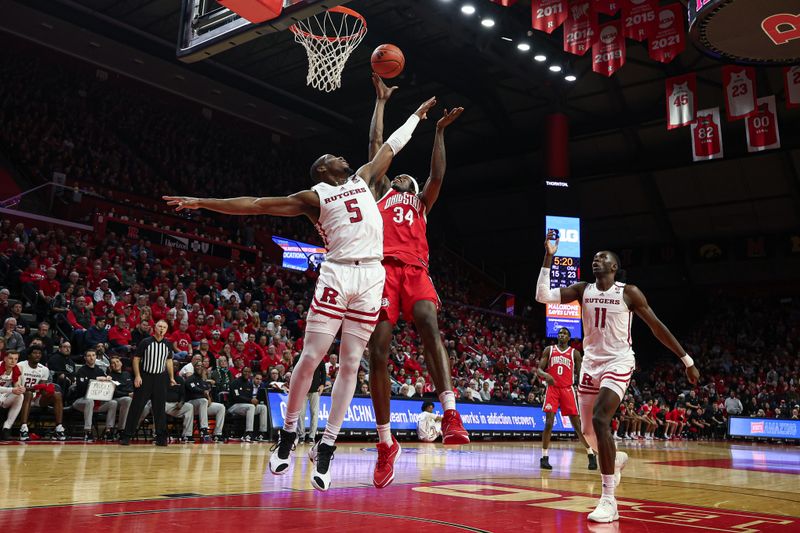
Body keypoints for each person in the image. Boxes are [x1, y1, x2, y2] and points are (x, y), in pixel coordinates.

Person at [164, 94, 436, 491]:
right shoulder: (314, 197)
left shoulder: (363, 178)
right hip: (337, 275)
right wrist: (201, 202)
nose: (341, 156)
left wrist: (414, 115)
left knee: (350, 366)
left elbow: (392, 144)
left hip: (371, 277)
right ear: (324, 169)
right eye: (333, 156)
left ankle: (325, 445)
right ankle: (289, 435)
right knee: (310, 358)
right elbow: (255, 205)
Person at [535, 232, 699, 523]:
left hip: (619, 362)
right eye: (595, 258)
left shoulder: (629, 292)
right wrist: (548, 255)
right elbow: (542, 296)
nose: (597, 261)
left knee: (600, 419)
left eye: (603, 259)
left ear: (614, 267)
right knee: (588, 432)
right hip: (591, 365)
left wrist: (686, 359)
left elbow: (657, 327)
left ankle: (609, 500)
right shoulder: (583, 289)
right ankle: (616, 458)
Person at [365, 75, 468, 488]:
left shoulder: (422, 201)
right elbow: (376, 149)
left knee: (428, 321)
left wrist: (439, 132)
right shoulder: (382, 192)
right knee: (378, 351)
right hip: (382, 271)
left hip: (415, 271)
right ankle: (385, 442)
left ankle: (450, 412)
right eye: (401, 177)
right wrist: (381, 103)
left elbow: (437, 176)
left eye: (411, 178)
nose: (405, 178)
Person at [536, 327, 597, 470]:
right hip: (552, 389)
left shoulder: (574, 353)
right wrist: (546, 375)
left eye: (564, 334)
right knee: (549, 423)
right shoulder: (549, 350)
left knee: (577, 426)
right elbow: (539, 369)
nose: (561, 335)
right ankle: (544, 457)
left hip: (567, 389)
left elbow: (581, 373)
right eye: (560, 333)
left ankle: (590, 454)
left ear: (569, 338)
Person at [119, 320, 177, 447]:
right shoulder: (146, 342)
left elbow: (169, 361)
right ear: (155, 328)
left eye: (164, 327)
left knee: (160, 409)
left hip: (160, 379)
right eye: (159, 326)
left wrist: (172, 377)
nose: (161, 328)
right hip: (145, 377)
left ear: (167, 330)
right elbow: (136, 359)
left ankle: (161, 438)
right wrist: (138, 376)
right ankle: (127, 436)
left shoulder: (168, 344)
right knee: (136, 407)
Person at [17, 345, 66, 441]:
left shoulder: (44, 369)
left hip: (36, 397)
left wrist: (48, 390)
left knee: (57, 394)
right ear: (29, 355)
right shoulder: (20, 366)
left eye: (39, 353)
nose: (37, 355)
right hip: (21, 396)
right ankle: (23, 429)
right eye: (35, 353)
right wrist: (33, 388)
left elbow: (42, 389)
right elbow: (18, 386)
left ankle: (59, 428)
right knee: (28, 394)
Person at [72, 349, 118, 442]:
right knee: (89, 401)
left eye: (93, 355)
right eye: (89, 355)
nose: (91, 357)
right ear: (85, 358)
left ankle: (108, 431)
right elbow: (81, 387)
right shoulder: (81, 370)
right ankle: (88, 431)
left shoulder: (100, 370)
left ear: (96, 357)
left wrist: (108, 379)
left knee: (113, 403)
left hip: (97, 403)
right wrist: (95, 379)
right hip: (81, 401)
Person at [185, 360, 226, 442]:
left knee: (221, 407)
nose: (199, 367)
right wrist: (203, 393)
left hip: (203, 405)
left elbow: (208, 396)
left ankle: (217, 434)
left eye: (201, 366)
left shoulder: (204, 382)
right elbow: (194, 390)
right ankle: (204, 429)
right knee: (203, 401)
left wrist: (209, 399)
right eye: (197, 366)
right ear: (194, 367)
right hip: (191, 405)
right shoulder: (190, 379)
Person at [228, 367, 268, 442]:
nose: (247, 373)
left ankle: (262, 433)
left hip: (246, 407)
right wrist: (250, 400)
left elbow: (249, 398)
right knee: (251, 406)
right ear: (242, 372)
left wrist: (254, 401)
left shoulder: (249, 384)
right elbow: (236, 397)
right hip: (234, 406)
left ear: (250, 374)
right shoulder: (235, 382)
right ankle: (248, 433)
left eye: (249, 372)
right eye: (245, 371)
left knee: (263, 407)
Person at [296, 358, 326, 444]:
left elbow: (323, 373)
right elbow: (296, 372)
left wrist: (322, 384)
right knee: (301, 413)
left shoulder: (320, 358)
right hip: (302, 389)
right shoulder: (300, 357)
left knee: (314, 413)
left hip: (315, 389)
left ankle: (311, 436)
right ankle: (301, 435)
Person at [0, 351, 25, 441]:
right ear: (5, 358)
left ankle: (6, 427)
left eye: (16, 359)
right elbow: (11, 389)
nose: (13, 361)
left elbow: (16, 386)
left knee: (20, 396)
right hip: (3, 393)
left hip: (4, 395)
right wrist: (11, 390)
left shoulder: (17, 369)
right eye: (10, 358)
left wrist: (21, 388)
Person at [108, 356, 134, 440]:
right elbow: (114, 393)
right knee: (127, 400)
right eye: (113, 362)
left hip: (129, 398)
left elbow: (131, 388)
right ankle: (121, 429)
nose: (116, 364)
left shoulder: (127, 374)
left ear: (121, 363)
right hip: (117, 399)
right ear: (110, 366)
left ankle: (134, 428)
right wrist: (127, 393)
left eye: (117, 361)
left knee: (146, 406)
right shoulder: (110, 376)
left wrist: (131, 393)